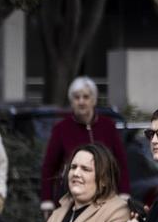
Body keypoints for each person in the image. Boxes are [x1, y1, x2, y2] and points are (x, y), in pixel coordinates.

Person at [41, 77, 131, 209]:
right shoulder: (61, 129)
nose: (81, 101)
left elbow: (121, 163)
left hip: (105, 197)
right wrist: (47, 200)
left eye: (86, 97)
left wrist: (124, 193)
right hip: (73, 198)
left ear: (94, 100)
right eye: (76, 98)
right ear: (71, 102)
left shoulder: (108, 126)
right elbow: (49, 167)